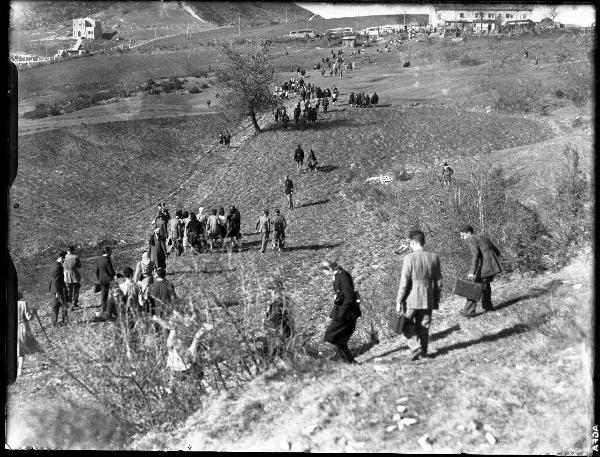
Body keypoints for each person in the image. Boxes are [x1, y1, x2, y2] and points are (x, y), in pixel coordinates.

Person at [395, 230, 443, 361]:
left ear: (413, 242)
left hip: (411, 298)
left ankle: (416, 348)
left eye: (410, 244)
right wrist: (436, 299)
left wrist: (399, 300)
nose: (410, 246)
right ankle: (424, 354)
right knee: (424, 326)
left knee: (404, 323)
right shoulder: (434, 257)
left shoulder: (409, 258)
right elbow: (439, 283)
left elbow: (404, 283)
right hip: (428, 297)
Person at [320, 260, 361, 364]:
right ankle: (350, 362)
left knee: (331, 336)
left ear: (329, 269)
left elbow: (350, 296)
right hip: (343, 311)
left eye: (325, 271)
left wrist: (342, 312)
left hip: (347, 312)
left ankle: (345, 361)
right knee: (338, 340)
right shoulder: (337, 275)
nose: (325, 274)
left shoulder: (343, 276)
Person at [458, 225, 503, 317]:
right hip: (493, 266)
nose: (462, 238)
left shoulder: (471, 238)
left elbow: (475, 256)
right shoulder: (484, 237)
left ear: (468, 233)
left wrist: (472, 272)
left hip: (486, 267)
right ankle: (488, 306)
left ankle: (468, 311)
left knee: (475, 287)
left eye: (463, 235)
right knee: (485, 286)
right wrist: (490, 260)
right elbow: (497, 252)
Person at [263, 279, 296, 357]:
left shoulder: (276, 304)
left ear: (275, 290)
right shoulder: (287, 300)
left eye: (270, 290)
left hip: (279, 337)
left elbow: (272, 322)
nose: (270, 292)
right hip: (289, 334)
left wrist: (265, 320)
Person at [17, 291, 43, 377]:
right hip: (23, 328)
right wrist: (34, 313)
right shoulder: (23, 303)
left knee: (20, 349)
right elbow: (29, 317)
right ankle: (43, 362)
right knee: (35, 346)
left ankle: (20, 370)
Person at [49, 251, 68, 326]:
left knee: (55, 306)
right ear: (60, 258)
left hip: (54, 289)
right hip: (59, 290)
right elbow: (57, 280)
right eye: (63, 258)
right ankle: (65, 321)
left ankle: (54, 323)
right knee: (65, 305)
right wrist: (58, 292)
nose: (64, 260)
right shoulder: (58, 266)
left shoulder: (53, 264)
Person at [95, 246, 116, 313]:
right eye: (110, 251)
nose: (111, 252)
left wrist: (99, 279)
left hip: (102, 280)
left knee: (104, 295)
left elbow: (96, 271)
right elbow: (111, 271)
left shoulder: (99, 259)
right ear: (107, 252)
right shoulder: (107, 259)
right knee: (114, 294)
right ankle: (114, 310)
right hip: (109, 280)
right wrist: (114, 274)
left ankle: (104, 309)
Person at [63, 245, 82, 310]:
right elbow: (79, 266)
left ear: (67, 250)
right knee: (76, 290)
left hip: (66, 276)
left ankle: (69, 305)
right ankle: (75, 304)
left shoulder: (63, 257)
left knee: (69, 291)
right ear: (73, 250)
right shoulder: (76, 257)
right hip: (75, 275)